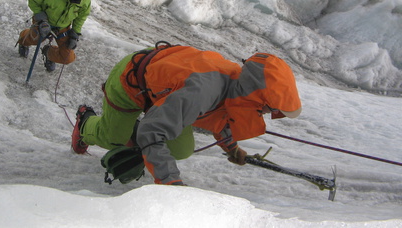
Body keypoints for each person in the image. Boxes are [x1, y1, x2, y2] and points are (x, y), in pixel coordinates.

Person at [72, 41, 302, 185]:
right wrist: (171, 182)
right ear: (256, 95)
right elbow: (152, 132)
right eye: (271, 108)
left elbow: (222, 117)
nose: (269, 114)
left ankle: (139, 132)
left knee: (181, 149)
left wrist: (232, 149)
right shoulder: (204, 91)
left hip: (164, 95)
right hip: (132, 81)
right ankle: (85, 123)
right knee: (113, 137)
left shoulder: (237, 86)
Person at [16, 0, 91, 72]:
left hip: (62, 27)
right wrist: (41, 18)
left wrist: (75, 33)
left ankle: (48, 53)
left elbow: (81, 16)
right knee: (34, 39)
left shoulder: (85, 1)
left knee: (67, 58)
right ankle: (23, 39)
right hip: (43, 21)